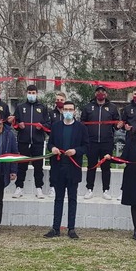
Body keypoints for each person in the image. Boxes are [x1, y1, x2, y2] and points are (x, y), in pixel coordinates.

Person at [45, 101, 88, 239]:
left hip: (73, 168)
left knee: (72, 199)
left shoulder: (81, 128)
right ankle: (55, 228)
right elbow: (50, 143)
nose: (68, 111)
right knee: (58, 199)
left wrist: (75, 151)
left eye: (71, 109)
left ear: (75, 111)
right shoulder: (56, 126)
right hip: (58, 168)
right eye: (66, 109)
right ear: (62, 111)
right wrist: (52, 148)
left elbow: (86, 146)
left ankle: (71, 228)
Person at [81, 85, 121, 200]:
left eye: (102, 92)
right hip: (92, 142)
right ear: (95, 94)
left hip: (107, 142)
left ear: (106, 94)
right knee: (91, 166)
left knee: (106, 167)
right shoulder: (88, 107)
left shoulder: (112, 107)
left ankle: (106, 190)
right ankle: (89, 189)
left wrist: (118, 126)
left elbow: (116, 124)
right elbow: (82, 122)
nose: (100, 93)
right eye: (98, 91)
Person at [12, 85, 50, 199]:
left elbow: (48, 124)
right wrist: (19, 126)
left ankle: (39, 188)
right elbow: (15, 122)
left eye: (33, 92)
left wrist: (41, 127)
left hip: (38, 142)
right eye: (29, 92)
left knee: (38, 166)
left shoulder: (43, 107)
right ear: (26, 93)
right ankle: (19, 188)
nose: (31, 94)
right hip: (23, 141)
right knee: (21, 166)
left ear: (37, 93)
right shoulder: (20, 107)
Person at [47, 92, 66, 196]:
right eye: (57, 100)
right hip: (54, 143)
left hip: (67, 143)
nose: (59, 102)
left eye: (61, 100)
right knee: (54, 167)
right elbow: (47, 127)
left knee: (66, 166)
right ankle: (52, 187)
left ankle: (65, 187)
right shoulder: (51, 113)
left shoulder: (68, 113)